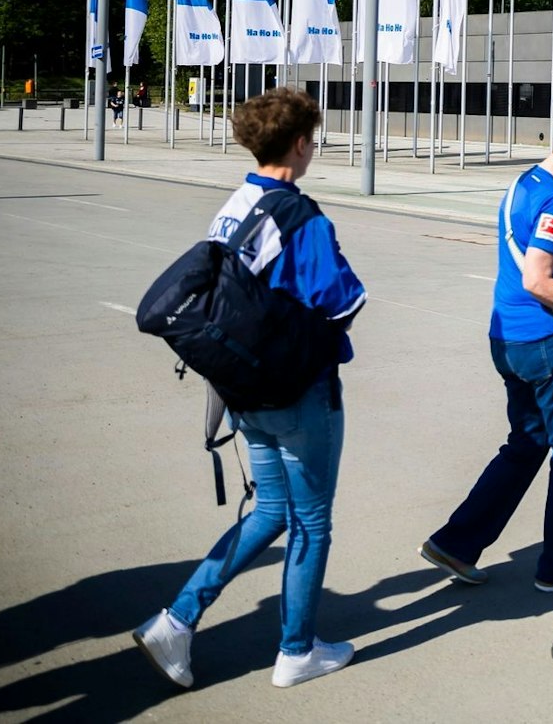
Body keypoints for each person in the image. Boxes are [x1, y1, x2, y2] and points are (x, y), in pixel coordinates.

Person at [132, 89, 366, 691]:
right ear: (298, 142)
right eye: (312, 137)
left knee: (269, 510)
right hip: (300, 390)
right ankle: (296, 651)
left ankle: (177, 620)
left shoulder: (235, 205)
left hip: (243, 387)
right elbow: (345, 298)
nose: (314, 147)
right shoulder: (300, 215)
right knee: (312, 522)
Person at [421, 115, 553, 592]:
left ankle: (456, 542)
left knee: (527, 442)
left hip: (507, 337)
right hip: (544, 342)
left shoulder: (523, 183)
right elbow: (538, 278)